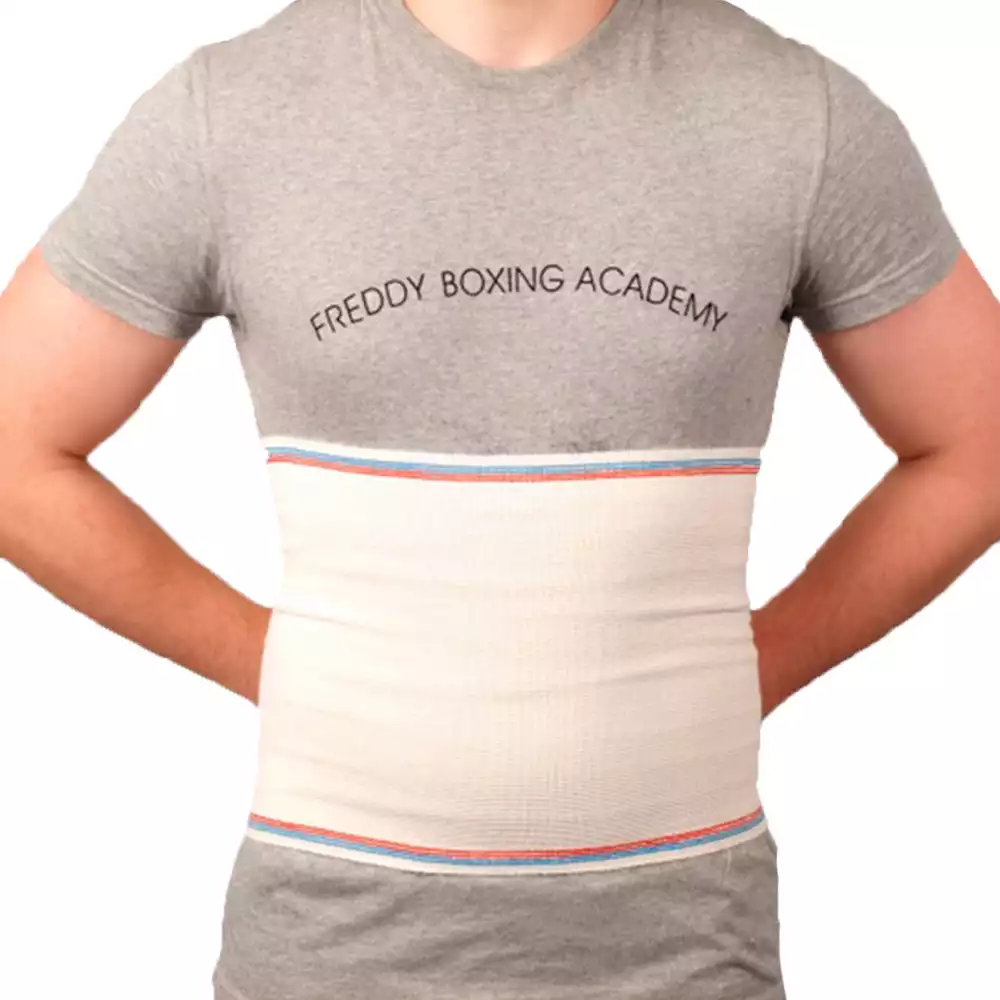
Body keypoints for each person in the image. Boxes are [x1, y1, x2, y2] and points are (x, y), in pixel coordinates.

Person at [1, 1, 998, 997]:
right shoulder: (226, 115)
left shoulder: (795, 115)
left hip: (685, 957)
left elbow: (979, 444)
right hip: (328, 954)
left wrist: (756, 663)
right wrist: (269, 660)